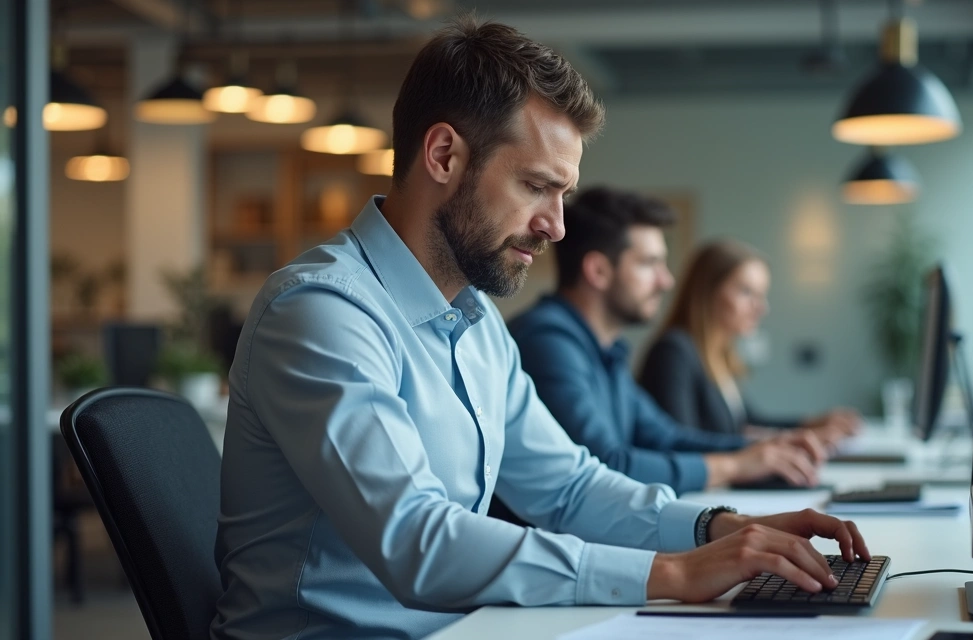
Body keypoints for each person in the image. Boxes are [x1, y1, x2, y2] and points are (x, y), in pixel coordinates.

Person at [212, 18, 869, 640]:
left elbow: (569, 487)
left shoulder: (476, 325)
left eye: (564, 196)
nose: (555, 226)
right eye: (536, 187)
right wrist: (671, 574)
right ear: (443, 155)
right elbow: (416, 541)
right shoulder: (321, 312)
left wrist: (719, 528)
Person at [508, 187, 831, 497]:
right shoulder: (548, 342)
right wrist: (734, 466)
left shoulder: (605, 351)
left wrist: (767, 450)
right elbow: (605, 465)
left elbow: (665, 437)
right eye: (650, 263)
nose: (667, 280)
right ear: (599, 271)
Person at [639, 240, 862, 445]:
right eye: (746, 292)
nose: (761, 308)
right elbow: (682, 442)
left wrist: (810, 425)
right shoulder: (674, 352)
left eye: (762, 295)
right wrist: (777, 444)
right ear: (706, 292)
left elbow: (748, 421)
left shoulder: (719, 355)